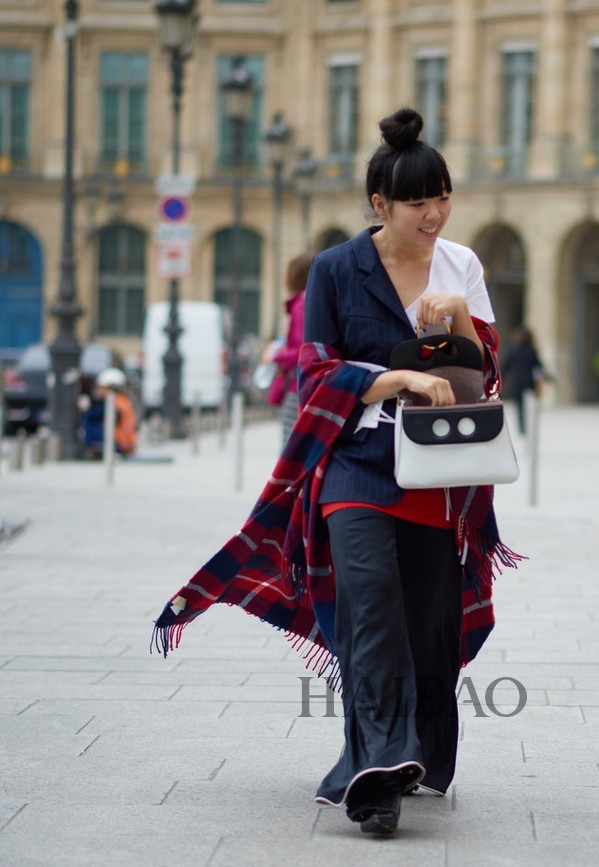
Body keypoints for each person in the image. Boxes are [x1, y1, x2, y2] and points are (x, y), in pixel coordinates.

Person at [151, 107, 521, 837]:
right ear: (380, 203)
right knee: (370, 608)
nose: (434, 214)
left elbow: (483, 374)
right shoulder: (334, 270)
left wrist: (457, 321)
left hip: (437, 470)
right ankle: (376, 771)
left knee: (428, 624)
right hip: (353, 463)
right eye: (417, 202)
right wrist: (397, 379)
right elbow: (315, 375)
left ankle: (418, 753)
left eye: (443, 197)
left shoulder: (462, 266)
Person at [263, 253, 312, 446]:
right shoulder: (310, 301)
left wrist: (275, 355)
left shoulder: (301, 305)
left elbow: (302, 349)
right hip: (304, 382)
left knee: (291, 442)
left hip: (297, 384)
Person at [502, 326, 552, 434]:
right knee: (528, 406)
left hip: (517, 383)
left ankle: (522, 428)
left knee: (520, 407)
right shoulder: (531, 351)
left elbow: (506, 366)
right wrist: (547, 377)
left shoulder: (514, 351)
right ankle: (527, 427)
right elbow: (538, 366)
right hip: (528, 383)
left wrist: (500, 379)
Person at [79, 367, 137, 458]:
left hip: (118, 443)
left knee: (90, 420)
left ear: (111, 388)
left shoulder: (113, 403)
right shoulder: (122, 401)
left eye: (102, 387)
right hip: (125, 443)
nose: (99, 390)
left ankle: (93, 447)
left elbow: (90, 415)